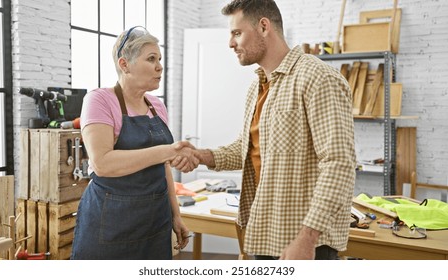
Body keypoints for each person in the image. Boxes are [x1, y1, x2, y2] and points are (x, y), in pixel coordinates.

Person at [174, 0, 356, 260]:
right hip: (265, 231)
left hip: (305, 240)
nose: (230, 43)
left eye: (237, 33)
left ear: (263, 26)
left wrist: (307, 238)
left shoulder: (317, 78)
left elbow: (339, 163)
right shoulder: (257, 87)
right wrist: (200, 155)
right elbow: (245, 149)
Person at [71, 26, 198, 260]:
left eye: (159, 59)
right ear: (124, 64)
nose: (160, 66)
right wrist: (165, 151)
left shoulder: (156, 106)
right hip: (110, 223)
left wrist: (176, 214)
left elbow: (163, 166)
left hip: (155, 222)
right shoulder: (100, 100)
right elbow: (103, 164)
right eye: (151, 59)